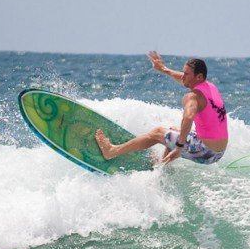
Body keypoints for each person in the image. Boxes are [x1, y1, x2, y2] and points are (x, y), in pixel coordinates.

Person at [95, 51, 228, 165]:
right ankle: (162, 165)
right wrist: (164, 69)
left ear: (198, 77)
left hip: (205, 152)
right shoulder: (210, 87)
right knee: (172, 130)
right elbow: (182, 79)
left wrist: (179, 148)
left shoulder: (193, 96)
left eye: (186, 74)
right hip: (218, 153)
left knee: (157, 132)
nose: (183, 76)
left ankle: (112, 151)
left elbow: (188, 118)